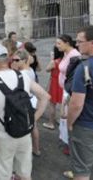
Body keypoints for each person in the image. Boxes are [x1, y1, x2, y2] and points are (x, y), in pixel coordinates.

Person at [0, 44, 50, 180]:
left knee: (1, 174)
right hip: (24, 133)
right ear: (8, 59)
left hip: (2, 136)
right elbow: (45, 97)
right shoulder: (22, 76)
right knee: (24, 173)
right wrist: (33, 119)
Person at [67, 26, 93, 180]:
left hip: (85, 125)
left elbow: (76, 104)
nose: (77, 45)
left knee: (82, 170)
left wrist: (69, 123)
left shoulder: (84, 68)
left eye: (80, 41)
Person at [11, 49, 41, 157]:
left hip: (26, 102)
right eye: (13, 60)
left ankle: (26, 151)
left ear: (24, 60)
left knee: (26, 128)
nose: (14, 62)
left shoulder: (21, 73)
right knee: (34, 126)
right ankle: (36, 149)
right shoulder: (30, 70)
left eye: (17, 60)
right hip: (32, 100)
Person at [43, 46, 64, 130]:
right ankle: (61, 121)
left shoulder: (54, 62)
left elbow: (47, 69)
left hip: (55, 83)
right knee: (62, 103)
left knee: (52, 104)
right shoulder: (65, 60)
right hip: (62, 83)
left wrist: (51, 59)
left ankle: (51, 123)